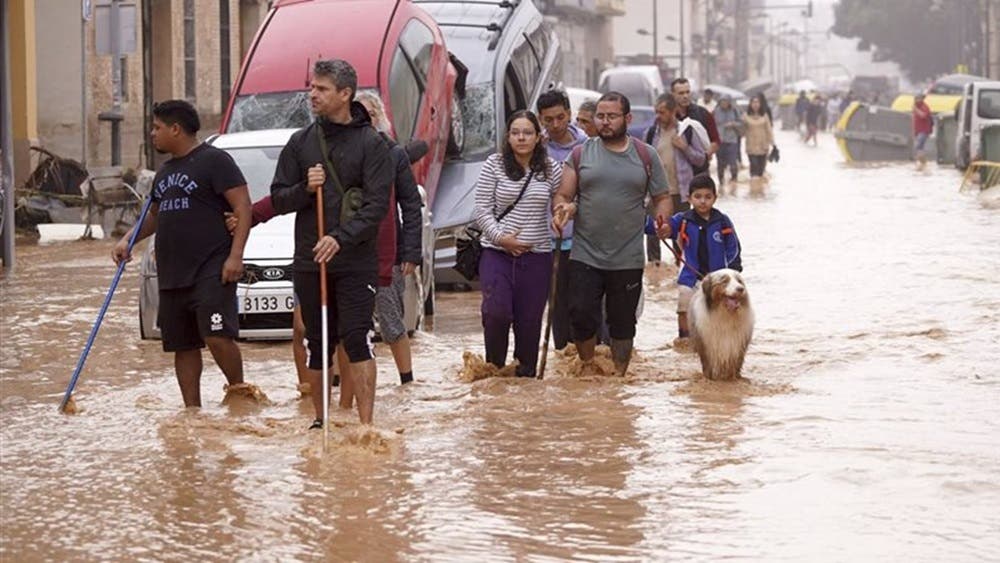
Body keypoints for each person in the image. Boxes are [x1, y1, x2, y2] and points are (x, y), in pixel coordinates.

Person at [270, 59, 392, 428]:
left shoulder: (373, 144)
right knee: (316, 341)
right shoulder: (300, 142)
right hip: (310, 259)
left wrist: (339, 239)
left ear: (345, 94)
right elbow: (278, 198)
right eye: (312, 87)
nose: (312, 94)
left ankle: (366, 426)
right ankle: (320, 422)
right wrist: (306, 189)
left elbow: (375, 208)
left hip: (355, 260)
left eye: (321, 89)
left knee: (357, 337)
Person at [112, 100, 252, 407]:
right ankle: (192, 411)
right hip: (174, 271)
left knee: (216, 334)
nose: (152, 134)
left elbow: (243, 206)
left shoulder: (215, 161)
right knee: (182, 345)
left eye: (157, 128)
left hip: (212, 267)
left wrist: (236, 256)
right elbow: (154, 215)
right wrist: (127, 240)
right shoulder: (165, 172)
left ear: (176, 129)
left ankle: (240, 391)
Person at [552, 92, 672, 376]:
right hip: (585, 253)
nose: (605, 122)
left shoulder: (645, 155)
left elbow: (662, 196)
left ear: (627, 119)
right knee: (580, 315)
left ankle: (619, 377)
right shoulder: (581, 153)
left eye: (612, 116)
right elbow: (564, 193)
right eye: (600, 117)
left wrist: (663, 221)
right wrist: (562, 209)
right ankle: (588, 367)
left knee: (622, 323)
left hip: (627, 256)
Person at [473, 110, 563, 377]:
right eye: (515, 133)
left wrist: (560, 214)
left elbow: (562, 198)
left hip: (537, 257)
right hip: (496, 253)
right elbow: (481, 210)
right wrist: (502, 239)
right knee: (496, 313)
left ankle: (525, 380)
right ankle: (495, 372)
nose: (521, 138)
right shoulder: (494, 164)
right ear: (508, 137)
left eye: (527, 133)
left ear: (538, 137)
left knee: (530, 322)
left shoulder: (551, 169)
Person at [357, 91, 423, 385]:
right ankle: (338, 384)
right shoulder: (344, 151)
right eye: (360, 114)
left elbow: (410, 205)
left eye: (370, 114)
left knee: (391, 318)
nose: (365, 120)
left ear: (380, 118)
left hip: (389, 251)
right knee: (348, 323)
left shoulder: (394, 154)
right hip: (350, 250)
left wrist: (411, 252)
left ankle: (406, 381)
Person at [657, 173, 742, 346]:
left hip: (718, 279)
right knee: (683, 306)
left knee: (722, 311)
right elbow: (666, 228)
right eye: (698, 197)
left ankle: (720, 342)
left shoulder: (723, 222)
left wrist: (733, 271)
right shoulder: (682, 220)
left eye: (707, 197)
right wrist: (661, 228)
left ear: (715, 198)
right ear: (689, 198)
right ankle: (684, 340)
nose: (703, 201)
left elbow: (734, 247)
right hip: (690, 276)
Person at [536, 89, 588, 351]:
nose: (555, 125)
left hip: (584, 240)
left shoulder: (587, 147)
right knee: (556, 306)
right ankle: (563, 356)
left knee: (583, 305)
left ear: (569, 114)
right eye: (548, 120)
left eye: (560, 117)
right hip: (547, 241)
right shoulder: (535, 149)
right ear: (540, 119)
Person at [646, 93, 707, 214]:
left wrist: (685, 148)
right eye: (656, 112)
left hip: (680, 195)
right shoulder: (651, 133)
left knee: (680, 231)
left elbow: (701, 160)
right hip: (656, 195)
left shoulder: (686, 131)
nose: (658, 116)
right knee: (654, 231)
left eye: (662, 112)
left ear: (673, 111)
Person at [670, 78, 719, 170]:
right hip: (675, 170)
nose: (685, 96)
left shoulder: (703, 114)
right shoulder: (668, 117)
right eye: (681, 93)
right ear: (672, 94)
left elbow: (715, 140)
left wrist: (705, 156)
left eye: (687, 92)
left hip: (699, 170)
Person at [743, 93, 774, 196]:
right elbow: (742, 132)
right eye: (753, 102)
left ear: (760, 104)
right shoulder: (745, 116)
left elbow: (769, 130)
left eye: (757, 102)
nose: (755, 105)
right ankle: (753, 192)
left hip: (763, 147)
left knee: (761, 170)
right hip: (751, 147)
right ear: (750, 104)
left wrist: (773, 144)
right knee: (754, 168)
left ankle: (760, 193)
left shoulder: (765, 116)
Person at [712, 94, 741, 191]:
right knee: (720, 164)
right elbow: (710, 125)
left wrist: (733, 124)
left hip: (732, 140)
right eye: (722, 101)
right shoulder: (715, 112)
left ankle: (734, 182)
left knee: (733, 163)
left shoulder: (734, 111)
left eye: (726, 101)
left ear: (729, 102)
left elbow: (742, 123)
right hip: (719, 141)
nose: (724, 103)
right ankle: (721, 184)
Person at [912, 93, 933, 170]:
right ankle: (923, 164)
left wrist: (916, 110)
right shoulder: (916, 107)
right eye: (916, 99)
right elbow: (915, 120)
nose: (917, 100)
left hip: (924, 131)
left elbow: (923, 116)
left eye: (918, 99)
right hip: (918, 131)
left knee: (918, 146)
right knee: (920, 148)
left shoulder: (924, 107)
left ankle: (921, 163)